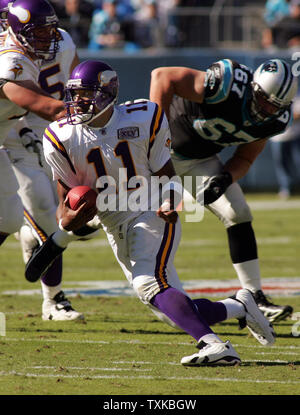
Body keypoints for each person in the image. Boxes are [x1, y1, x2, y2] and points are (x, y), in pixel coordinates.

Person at [24, 59, 275, 366]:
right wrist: (74, 218)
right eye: (75, 94)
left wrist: (171, 202)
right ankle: (239, 306)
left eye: (86, 94)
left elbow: (166, 174)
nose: (78, 102)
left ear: (107, 93)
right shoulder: (58, 137)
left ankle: (215, 346)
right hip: (112, 222)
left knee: (148, 284)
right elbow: (66, 207)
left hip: (149, 209)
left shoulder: (144, 116)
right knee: (170, 311)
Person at [149, 58, 297, 323]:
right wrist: (154, 137)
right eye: (263, 99)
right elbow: (162, 77)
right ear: (253, 87)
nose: (265, 109)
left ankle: (254, 298)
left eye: (274, 106)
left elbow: (245, 159)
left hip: (199, 161)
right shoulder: (228, 84)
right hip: (160, 154)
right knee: (107, 215)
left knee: (237, 211)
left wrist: (225, 179)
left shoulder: (274, 122)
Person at [0, 0, 99, 320]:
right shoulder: (12, 58)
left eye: (49, 30)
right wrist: (70, 113)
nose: (47, 38)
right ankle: (53, 299)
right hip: (16, 136)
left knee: (11, 218)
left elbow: (74, 82)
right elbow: (24, 97)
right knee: (30, 212)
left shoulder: (51, 44)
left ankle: (52, 296)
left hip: (10, 135)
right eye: (38, 32)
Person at [270, 94, 300, 198]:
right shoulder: (270, 95)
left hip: (295, 134)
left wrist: (285, 119)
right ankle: (286, 188)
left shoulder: (294, 94)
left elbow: (297, 113)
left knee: (297, 161)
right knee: (281, 164)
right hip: (277, 137)